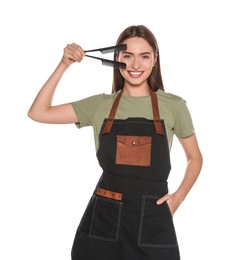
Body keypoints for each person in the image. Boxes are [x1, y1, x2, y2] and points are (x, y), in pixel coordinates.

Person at [28, 25, 203, 260]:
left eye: (144, 56)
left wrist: (179, 197)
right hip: (103, 221)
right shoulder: (100, 105)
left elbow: (195, 157)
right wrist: (64, 64)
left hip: (152, 221)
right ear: (117, 59)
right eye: (127, 56)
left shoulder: (174, 106)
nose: (135, 65)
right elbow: (38, 112)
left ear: (155, 60)